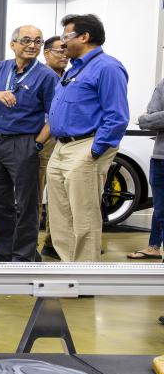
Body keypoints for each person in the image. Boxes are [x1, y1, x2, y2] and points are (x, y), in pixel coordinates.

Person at [46, 14, 129, 262]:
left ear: (85, 37)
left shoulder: (108, 68)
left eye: (66, 36)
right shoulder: (74, 69)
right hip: (60, 147)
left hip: (85, 146)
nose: (61, 43)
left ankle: (85, 275)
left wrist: (95, 150)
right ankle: (68, 268)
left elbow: (117, 116)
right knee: (60, 215)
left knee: (84, 215)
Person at [0, 26, 57, 262]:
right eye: (27, 40)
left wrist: (36, 145)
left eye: (38, 41)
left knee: (27, 204)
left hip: (24, 142)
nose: (32, 45)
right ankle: (3, 252)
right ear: (13, 44)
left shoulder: (46, 76)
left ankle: (24, 255)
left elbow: (55, 116)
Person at [127, 75, 164, 260]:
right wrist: (149, 118)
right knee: (160, 207)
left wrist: (153, 118)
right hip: (160, 157)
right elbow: (146, 121)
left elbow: (151, 118)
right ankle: (154, 246)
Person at [39, 36, 69, 260]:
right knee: (36, 195)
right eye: (60, 51)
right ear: (46, 53)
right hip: (43, 139)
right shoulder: (40, 76)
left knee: (61, 196)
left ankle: (54, 241)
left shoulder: (69, 77)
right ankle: (29, 245)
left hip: (65, 140)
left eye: (66, 50)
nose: (65, 55)